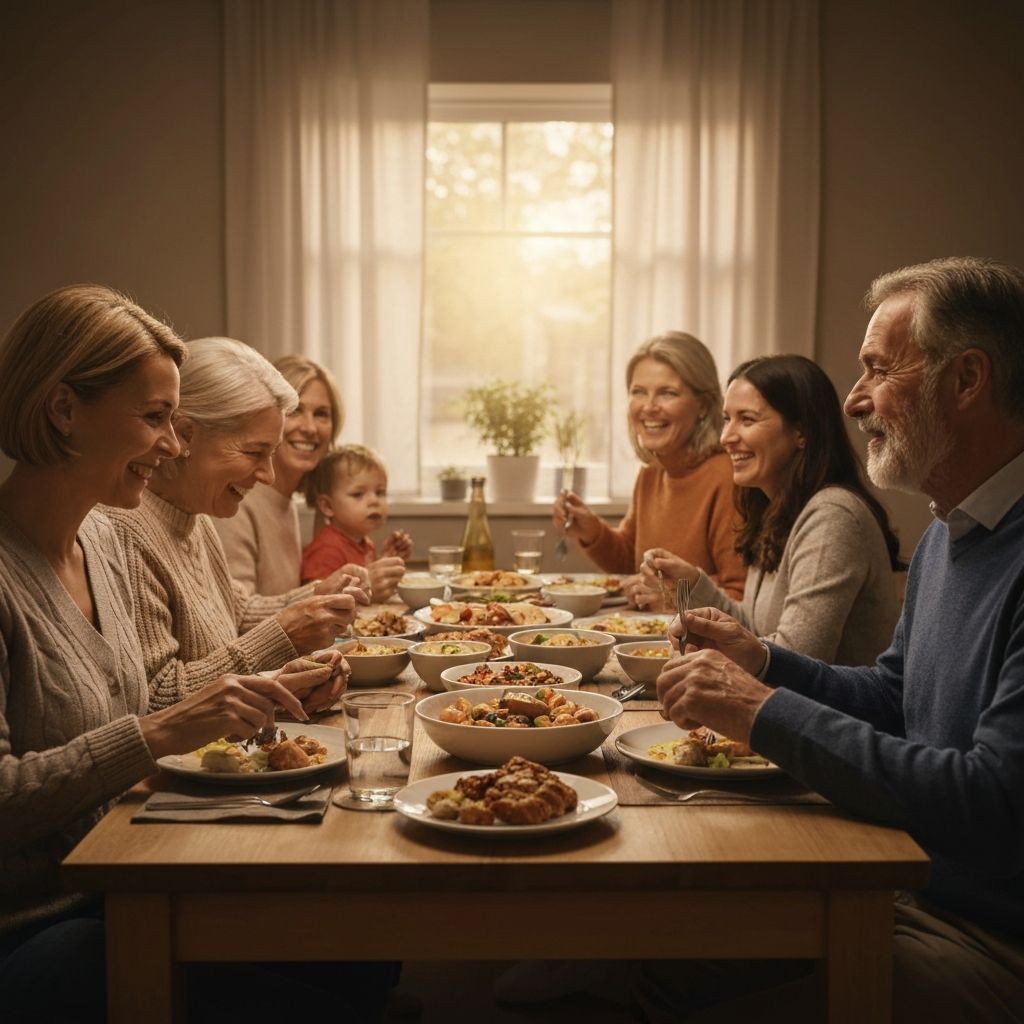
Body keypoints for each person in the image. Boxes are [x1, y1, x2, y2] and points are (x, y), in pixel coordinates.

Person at [656, 257, 1024, 1021]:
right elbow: (891, 696)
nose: (854, 399)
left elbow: (991, 800)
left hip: (986, 937)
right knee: (666, 947)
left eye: (878, 369)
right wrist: (762, 660)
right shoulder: (946, 534)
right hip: (899, 879)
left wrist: (758, 709)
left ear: (967, 380)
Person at [0, 286, 345, 1024]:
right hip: (43, 914)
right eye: (155, 418)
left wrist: (254, 693)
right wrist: (160, 732)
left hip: (132, 865)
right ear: (63, 410)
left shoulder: (100, 541)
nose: (172, 444)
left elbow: (154, 704)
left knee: (354, 930)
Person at [104, 337, 370, 709]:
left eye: (271, 453)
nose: (268, 475)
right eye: (254, 452)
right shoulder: (125, 530)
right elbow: (156, 699)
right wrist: (284, 636)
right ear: (186, 435)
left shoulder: (195, 513)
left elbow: (236, 612)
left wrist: (318, 597)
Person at [636, 354, 903, 665]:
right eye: (727, 419)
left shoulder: (833, 517)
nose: (726, 437)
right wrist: (694, 583)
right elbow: (753, 631)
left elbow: (797, 658)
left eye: (747, 420)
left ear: (801, 433)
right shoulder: (775, 509)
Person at [552, 331, 745, 606]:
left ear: (703, 405)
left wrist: (666, 596)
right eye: (638, 392)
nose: (649, 407)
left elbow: (739, 597)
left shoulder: (728, 477)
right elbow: (631, 564)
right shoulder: (652, 472)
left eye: (667, 393)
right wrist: (592, 531)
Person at [215, 354, 343, 596]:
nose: (310, 428)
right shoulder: (236, 501)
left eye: (321, 414)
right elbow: (237, 611)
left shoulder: (287, 502)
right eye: (294, 411)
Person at [301, 444, 413, 599]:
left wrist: (387, 560)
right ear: (327, 506)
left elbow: (367, 579)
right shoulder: (325, 550)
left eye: (380, 492)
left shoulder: (365, 542)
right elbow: (319, 601)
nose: (374, 501)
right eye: (358, 494)